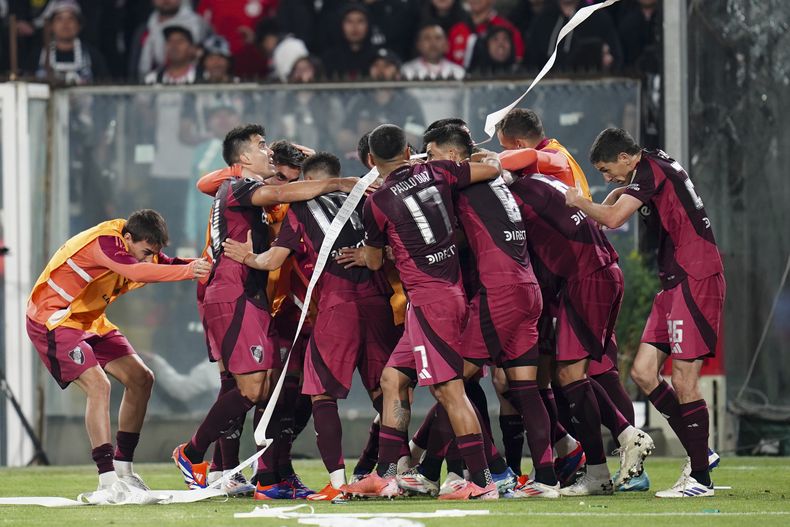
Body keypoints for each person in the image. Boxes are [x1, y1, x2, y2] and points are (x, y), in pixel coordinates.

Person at [172, 124, 360, 491]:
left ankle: (267, 475)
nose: (268, 152)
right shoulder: (238, 186)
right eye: (261, 147)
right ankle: (196, 455)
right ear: (243, 157)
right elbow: (275, 189)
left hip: (254, 294)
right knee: (249, 387)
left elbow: (284, 185)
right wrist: (338, 183)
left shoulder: (258, 192)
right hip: (232, 291)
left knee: (267, 386)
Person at [222, 152, 399, 501]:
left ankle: (337, 483)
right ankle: (394, 474)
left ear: (309, 182)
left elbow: (272, 260)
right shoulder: (368, 200)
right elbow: (391, 249)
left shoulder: (302, 208)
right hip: (379, 303)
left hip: (338, 306)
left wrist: (247, 257)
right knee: (386, 390)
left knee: (321, 394)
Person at [339, 124, 501, 500]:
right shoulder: (438, 170)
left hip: (431, 301)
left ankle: (482, 482)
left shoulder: (377, 202)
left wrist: (367, 254)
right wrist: (487, 157)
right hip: (440, 295)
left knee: (449, 391)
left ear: (370, 160)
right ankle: (386, 474)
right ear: (409, 150)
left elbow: (375, 261)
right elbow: (490, 169)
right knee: (393, 379)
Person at [400, 124, 559, 499]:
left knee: (452, 385)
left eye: (433, 154)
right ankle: (547, 480)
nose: (430, 162)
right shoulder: (495, 178)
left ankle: (430, 472)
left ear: (452, 155)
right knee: (526, 389)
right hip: (528, 287)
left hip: (500, 292)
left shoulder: (462, 182)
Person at [567, 128, 725, 498]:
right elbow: (621, 198)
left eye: (607, 170)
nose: (607, 177)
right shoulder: (651, 163)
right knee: (642, 372)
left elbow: (613, 219)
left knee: (684, 380)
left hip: (695, 276)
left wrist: (579, 202)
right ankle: (702, 452)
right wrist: (613, 194)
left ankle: (700, 478)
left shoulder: (650, 170)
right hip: (674, 281)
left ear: (625, 157)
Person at [499, 124, 656, 496]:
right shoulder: (545, 180)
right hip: (591, 276)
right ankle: (601, 466)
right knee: (572, 376)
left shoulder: (519, 196)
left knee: (574, 375)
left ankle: (624, 440)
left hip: (589, 279)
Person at [26, 210, 210, 491]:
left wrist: (205, 265)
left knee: (141, 378)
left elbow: (166, 264)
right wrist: (189, 271)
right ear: (128, 238)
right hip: (53, 318)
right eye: (146, 252)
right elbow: (138, 271)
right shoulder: (105, 242)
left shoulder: (135, 246)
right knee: (99, 385)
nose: (149, 259)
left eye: (153, 253)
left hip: (88, 320)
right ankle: (107, 480)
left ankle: (124, 470)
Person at [496, 108, 592, 199]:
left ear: (519, 144)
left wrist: (491, 161)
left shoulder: (553, 156)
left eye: (505, 148)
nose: (504, 152)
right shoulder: (553, 148)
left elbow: (532, 156)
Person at [32, 0, 108, 84]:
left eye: (71, 19)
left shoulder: (93, 57)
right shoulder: (38, 56)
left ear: (79, 25)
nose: (65, 24)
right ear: (51, 26)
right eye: (59, 19)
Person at [129, 0, 208, 81]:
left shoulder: (198, 25)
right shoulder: (145, 30)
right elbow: (134, 66)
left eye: (180, 41)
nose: (165, 0)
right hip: (152, 83)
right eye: (170, 41)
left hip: (195, 80)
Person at [401, 23, 465, 81]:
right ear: (419, 45)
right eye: (427, 38)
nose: (433, 43)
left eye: (438, 38)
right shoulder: (407, 70)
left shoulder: (458, 72)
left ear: (446, 45)